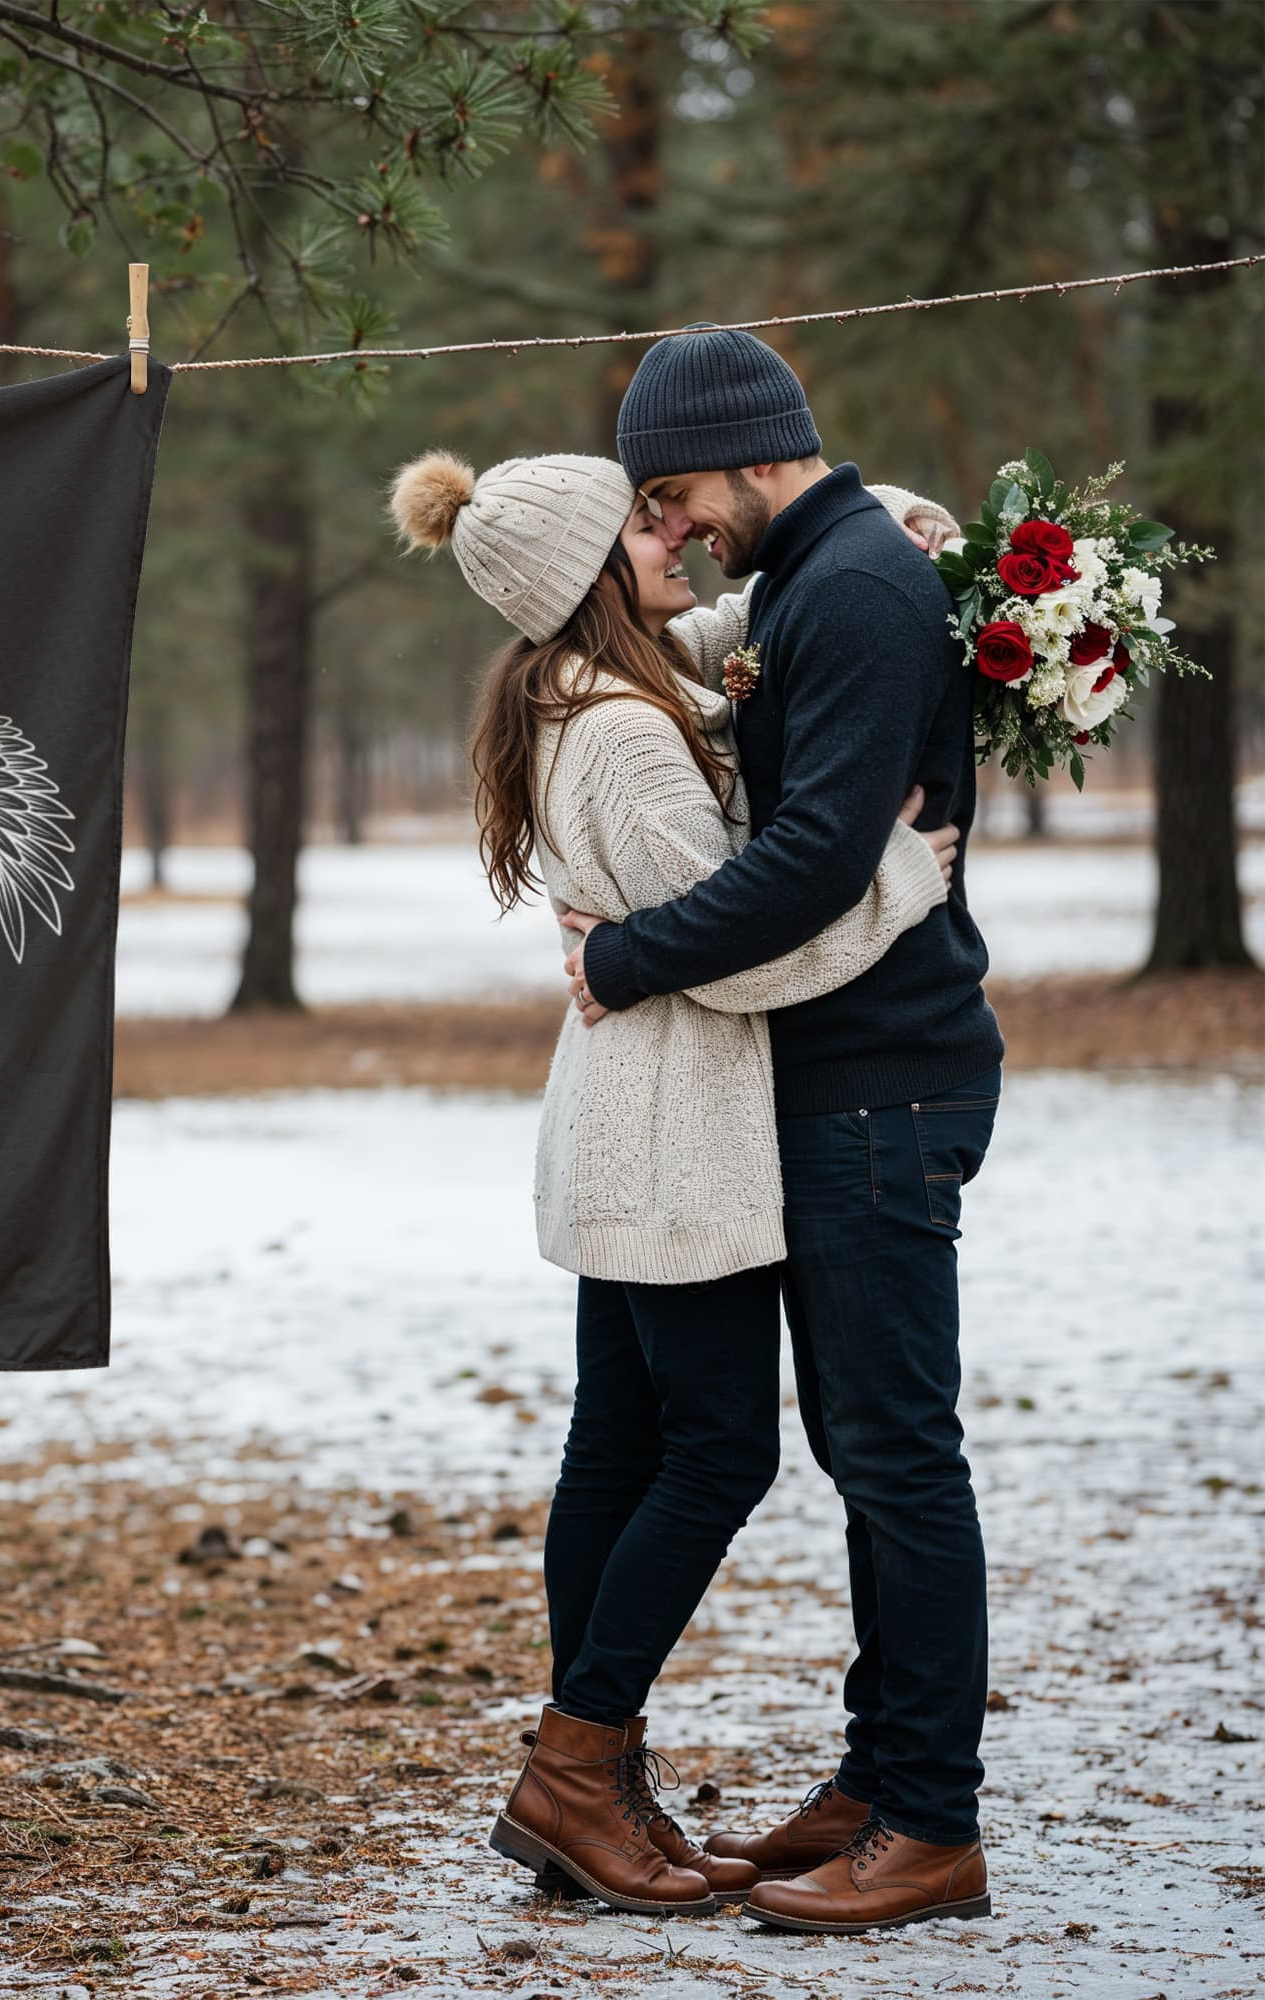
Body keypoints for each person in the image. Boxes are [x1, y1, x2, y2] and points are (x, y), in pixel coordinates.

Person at [388, 442, 961, 1918]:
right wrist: (906, 874)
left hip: (620, 1113)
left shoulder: (585, 683)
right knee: (718, 1454)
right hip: (671, 1129)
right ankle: (576, 1769)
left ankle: (593, 1772)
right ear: (590, 572)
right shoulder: (630, 740)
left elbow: (734, 626)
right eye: (644, 527)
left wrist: (886, 525)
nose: (676, 538)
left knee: (618, 1444)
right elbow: (745, 953)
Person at [558, 325, 1005, 1936]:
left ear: (752, 451)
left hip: (883, 1078)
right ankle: (878, 1780)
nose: (673, 528)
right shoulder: (816, 577)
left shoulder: (858, 586)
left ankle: (931, 1818)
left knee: (895, 1450)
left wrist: (626, 956)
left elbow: (818, 859)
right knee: (861, 1450)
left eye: (677, 496)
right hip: (829, 1075)